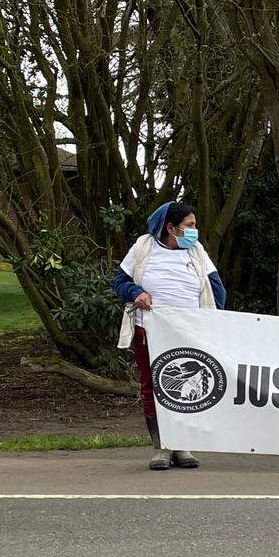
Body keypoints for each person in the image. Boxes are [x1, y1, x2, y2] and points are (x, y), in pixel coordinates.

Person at [112, 202, 227, 471]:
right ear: (171, 228)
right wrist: (135, 294)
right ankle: (161, 447)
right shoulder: (143, 247)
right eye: (189, 226)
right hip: (149, 330)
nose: (194, 231)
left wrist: (216, 320)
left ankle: (182, 445)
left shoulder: (196, 251)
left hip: (189, 332)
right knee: (154, 384)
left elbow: (216, 288)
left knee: (189, 385)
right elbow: (120, 282)